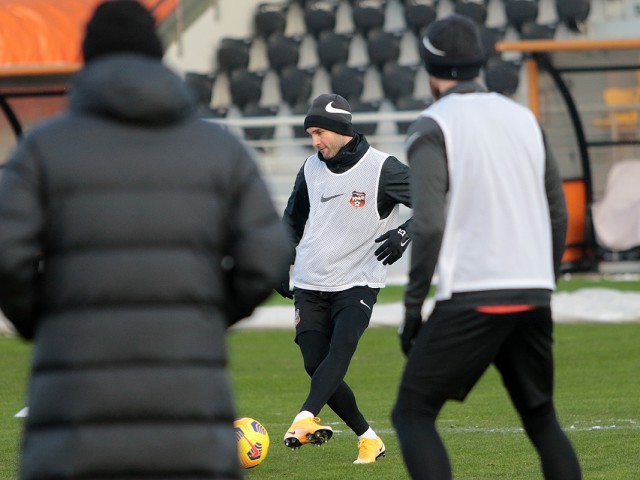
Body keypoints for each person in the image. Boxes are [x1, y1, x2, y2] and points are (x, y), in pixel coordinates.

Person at [0, 2, 290, 479]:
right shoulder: (219, 149)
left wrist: (46, 321)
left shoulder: (43, 148)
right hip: (189, 414)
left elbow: (6, 255)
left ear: (87, 58)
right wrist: (206, 315)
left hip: (74, 418)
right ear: (158, 56)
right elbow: (267, 256)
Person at [391, 14, 582, 480]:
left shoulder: (432, 125)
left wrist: (413, 308)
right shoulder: (524, 119)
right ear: (480, 61)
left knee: (413, 412)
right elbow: (558, 213)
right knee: (541, 418)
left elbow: (428, 225)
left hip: (474, 293)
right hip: (532, 291)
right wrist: (545, 281)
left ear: (428, 68)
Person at [275, 93, 412, 464]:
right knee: (314, 364)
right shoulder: (310, 167)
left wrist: (405, 232)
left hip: (358, 281)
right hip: (310, 282)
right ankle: (369, 439)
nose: (315, 141)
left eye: (319, 132)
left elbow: (437, 200)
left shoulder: (382, 168)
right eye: (310, 134)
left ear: (340, 129)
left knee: (341, 349)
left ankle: (305, 416)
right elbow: (292, 220)